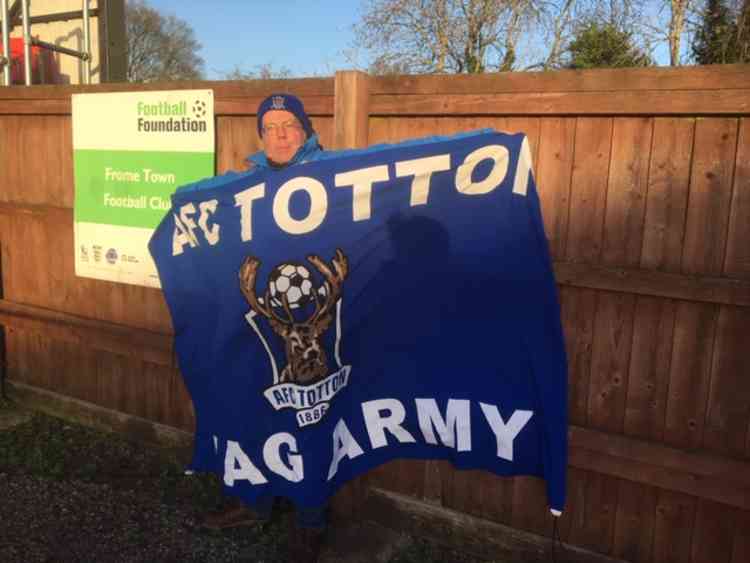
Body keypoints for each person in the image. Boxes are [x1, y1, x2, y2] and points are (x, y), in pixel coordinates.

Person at [198, 93, 328, 563]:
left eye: (290, 124)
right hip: (256, 326)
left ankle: (310, 520)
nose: (280, 133)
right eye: (270, 126)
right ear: (260, 134)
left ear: (306, 129)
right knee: (250, 413)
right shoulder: (246, 183)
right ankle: (253, 501)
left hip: (312, 328)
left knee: (311, 422)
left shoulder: (333, 175)